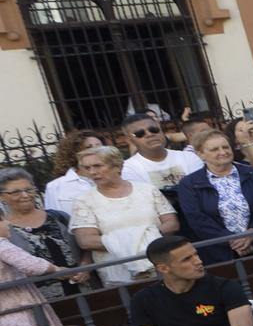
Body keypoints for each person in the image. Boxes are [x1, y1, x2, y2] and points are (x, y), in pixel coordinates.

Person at [68, 146, 179, 283]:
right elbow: (86, 241)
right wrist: (140, 238)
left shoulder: (147, 190)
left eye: (97, 166)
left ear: (117, 166)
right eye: (87, 168)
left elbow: (172, 224)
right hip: (118, 273)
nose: (92, 172)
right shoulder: (83, 201)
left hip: (161, 262)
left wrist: (136, 240)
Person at [172, 129, 253, 258]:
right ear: (200, 154)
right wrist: (233, 241)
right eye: (214, 149)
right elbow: (197, 219)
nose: (223, 152)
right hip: (220, 253)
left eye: (226, 147)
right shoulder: (189, 184)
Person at [0, 167, 79, 305]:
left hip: (84, 289)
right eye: (15, 192)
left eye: (29, 189)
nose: (25, 195)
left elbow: (83, 247)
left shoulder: (59, 217)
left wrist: (85, 267)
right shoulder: (2, 231)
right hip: (41, 302)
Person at [118, 112, 201, 196]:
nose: (149, 134)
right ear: (129, 140)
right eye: (140, 133)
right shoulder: (127, 168)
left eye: (154, 129)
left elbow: (201, 190)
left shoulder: (189, 157)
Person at [42, 128, 110, 215]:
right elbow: (57, 220)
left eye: (99, 146)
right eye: (88, 147)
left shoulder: (114, 177)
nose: (95, 151)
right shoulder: (55, 186)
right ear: (75, 153)